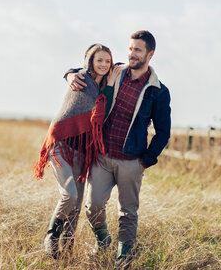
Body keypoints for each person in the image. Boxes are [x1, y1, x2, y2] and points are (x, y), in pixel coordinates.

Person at [66, 30, 171, 269]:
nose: (131, 54)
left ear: (150, 54)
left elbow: (163, 132)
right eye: (130, 48)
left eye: (138, 50)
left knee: (128, 213)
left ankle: (123, 260)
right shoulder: (115, 72)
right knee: (93, 207)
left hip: (131, 161)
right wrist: (70, 74)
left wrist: (145, 160)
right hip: (102, 156)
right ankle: (103, 240)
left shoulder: (158, 91)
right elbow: (89, 69)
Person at [33, 44, 120, 259]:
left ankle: (66, 250)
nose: (103, 64)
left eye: (107, 61)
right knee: (69, 194)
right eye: (99, 60)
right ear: (90, 61)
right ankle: (52, 236)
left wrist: (109, 82)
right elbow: (102, 109)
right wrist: (69, 74)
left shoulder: (104, 87)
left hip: (82, 151)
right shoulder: (82, 79)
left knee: (76, 206)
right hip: (60, 144)